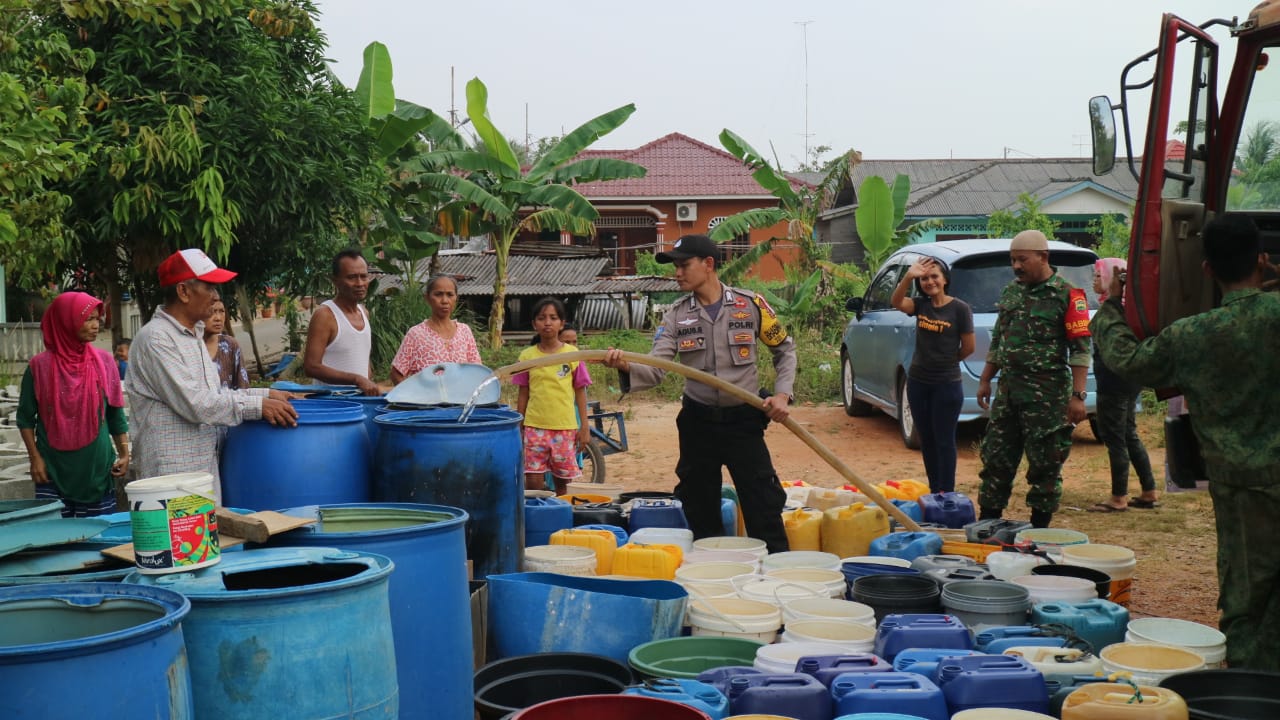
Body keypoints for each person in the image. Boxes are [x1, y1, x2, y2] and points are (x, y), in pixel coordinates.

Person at [1091, 214, 1280, 670]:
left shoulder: (1192, 334)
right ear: (1263, 259)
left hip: (1242, 488)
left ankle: (1256, 685)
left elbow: (1128, 361)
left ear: (1207, 269)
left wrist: (1112, 308)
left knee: (1249, 595)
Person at [603, 234, 796, 553]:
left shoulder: (751, 306)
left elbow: (784, 351)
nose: (677, 272)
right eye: (675, 266)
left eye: (683, 265)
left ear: (708, 265)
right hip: (698, 424)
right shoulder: (676, 315)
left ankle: (776, 575)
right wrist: (624, 366)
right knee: (699, 507)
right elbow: (655, 370)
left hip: (744, 423)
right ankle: (712, 575)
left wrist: (782, 396)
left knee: (763, 502)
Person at [125, 249, 298, 501]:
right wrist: (258, 406)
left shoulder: (192, 335)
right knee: (175, 541)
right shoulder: (157, 339)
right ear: (183, 292)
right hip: (171, 477)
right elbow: (197, 404)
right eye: (210, 286)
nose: (216, 295)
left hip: (200, 469)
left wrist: (266, 394)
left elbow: (215, 395)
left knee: (204, 539)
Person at [976, 230, 1091, 529]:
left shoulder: (1068, 295)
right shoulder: (1011, 292)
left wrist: (1078, 396)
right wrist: (986, 379)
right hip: (1009, 393)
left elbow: (1080, 350)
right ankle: (987, 527)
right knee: (996, 459)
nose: (1016, 266)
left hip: (1047, 397)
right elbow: (999, 340)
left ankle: (1040, 533)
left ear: (1043, 257)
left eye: (1022, 259)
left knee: (1045, 465)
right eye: (1013, 260)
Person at [18, 292, 130, 517]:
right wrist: (35, 458)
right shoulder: (38, 367)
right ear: (66, 321)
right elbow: (25, 418)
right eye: (88, 319)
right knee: (54, 542)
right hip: (51, 467)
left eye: (97, 319)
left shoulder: (105, 362)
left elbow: (115, 414)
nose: (96, 325)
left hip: (96, 469)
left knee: (97, 540)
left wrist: (124, 453)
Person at [890, 256, 976, 493]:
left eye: (934, 276)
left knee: (944, 440)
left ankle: (946, 493)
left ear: (945, 279)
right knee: (926, 439)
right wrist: (909, 276)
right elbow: (896, 301)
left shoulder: (960, 309)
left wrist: (947, 361)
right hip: (918, 383)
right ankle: (934, 488)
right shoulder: (921, 306)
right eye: (925, 278)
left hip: (947, 384)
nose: (930, 282)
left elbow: (968, 347)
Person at [1087, 258, 1158, 512]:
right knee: (1129, 434)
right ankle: (1148, 490)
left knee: (1115, 438)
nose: (1094, 280)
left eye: (1098, 276)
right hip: (1129, 381)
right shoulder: (1132, 309)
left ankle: (1119, 497)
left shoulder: (1113, 311)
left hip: (1113, 382)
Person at [512, 298, 591, 496]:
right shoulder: (527, 356)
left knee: (563, 485)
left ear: (561, 323)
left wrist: (585, 427)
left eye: (553, 318)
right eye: (542, 318)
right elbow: (523, 392)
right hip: (534, 427)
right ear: (534, 324)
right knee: (533, 483)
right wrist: (518, 426)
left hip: (564, 428)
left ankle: (562, 521)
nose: (547, 322)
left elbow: (580, 391)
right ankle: (537, 521)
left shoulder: (572, 354)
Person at [304, 248, 379, 395]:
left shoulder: (364, 312)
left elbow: (361, 358)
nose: (360, 283)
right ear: (335, 281)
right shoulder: (325, 316)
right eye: (351, 277)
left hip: (359, 402)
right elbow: (311, 366)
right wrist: (356, 379)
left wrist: (367, 380)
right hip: (332, 406)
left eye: (364, 276)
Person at [390, 275, 482, 384]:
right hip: (427, 400)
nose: (444, 300)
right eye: (438, 294)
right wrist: (413, 396)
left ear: (456, 298)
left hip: (460, 400)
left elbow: (477, 372)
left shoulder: (464, 331)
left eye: (450, 295)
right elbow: (396, 373)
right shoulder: (416, 334)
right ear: (427, 298)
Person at [203, 293, 250, 390]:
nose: (218, 318)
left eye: (222, 311)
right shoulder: (190, 346)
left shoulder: (230, 345)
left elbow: (243, 388)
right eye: (212, 311)